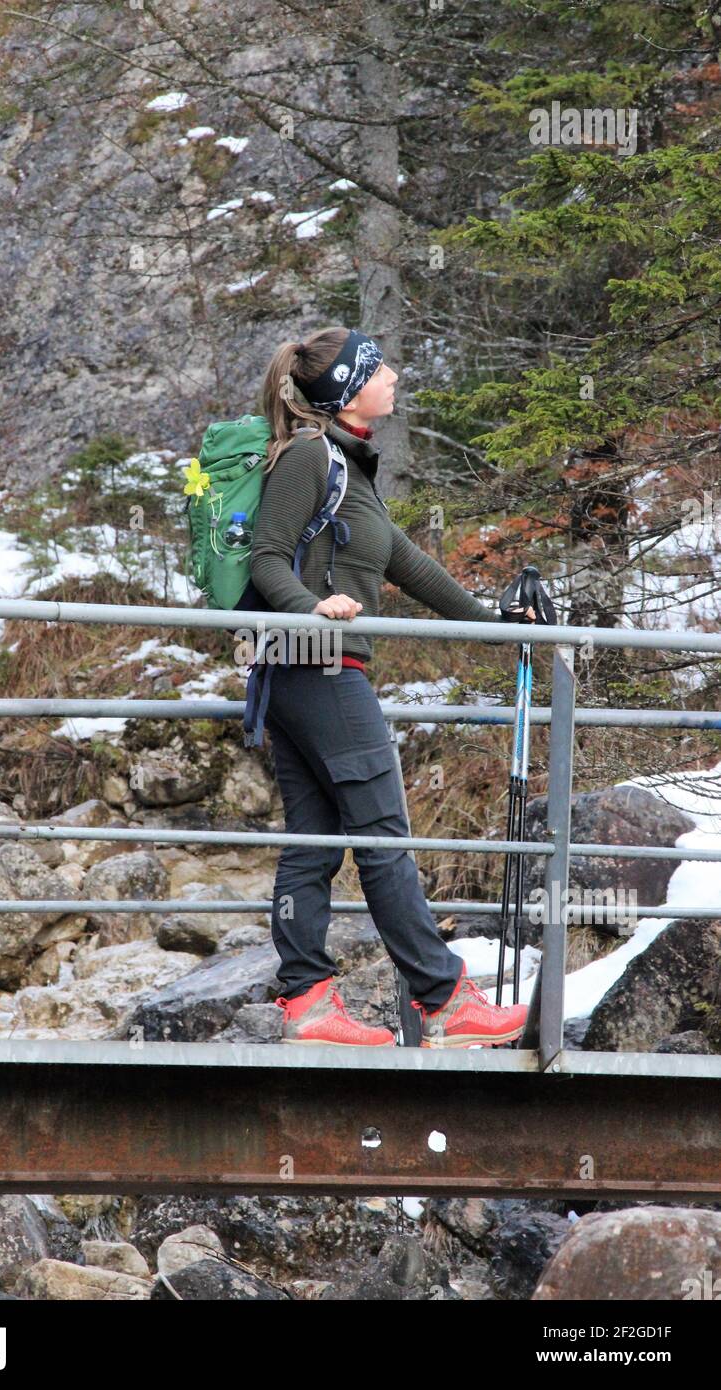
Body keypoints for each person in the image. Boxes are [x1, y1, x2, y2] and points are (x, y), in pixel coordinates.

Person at [250, 325, 537, 1048]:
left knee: (315, 842)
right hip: (315, 665)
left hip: (304, 671)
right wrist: (309, 609)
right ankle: (445, 1001)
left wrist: (495, 620)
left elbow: (407, 564)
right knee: (383, 836)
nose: (394, 374)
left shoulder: (348, 464)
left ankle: (308, 1005)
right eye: (377, 367)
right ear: (347, 391)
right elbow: (266, 560)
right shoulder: (309, 457)